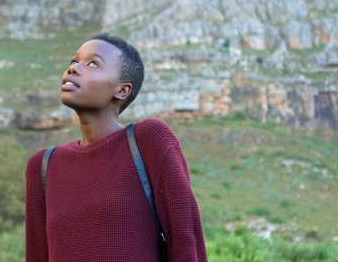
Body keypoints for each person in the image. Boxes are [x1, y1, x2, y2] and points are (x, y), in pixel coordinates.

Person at [25, 33, 207, 261]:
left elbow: (186, 243)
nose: (73, 69)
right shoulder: (43, 166)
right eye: (74, 62)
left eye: (93, 64)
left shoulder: (149, 140)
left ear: (122, 90)